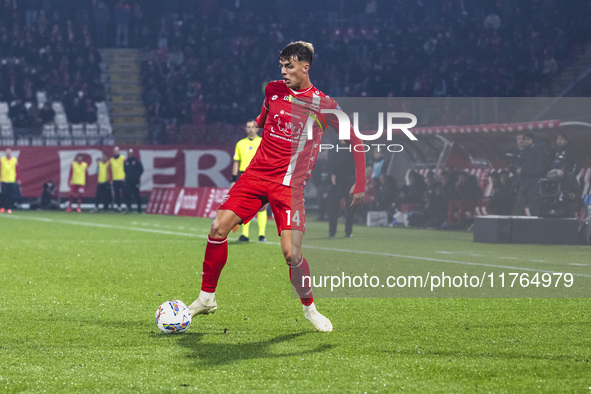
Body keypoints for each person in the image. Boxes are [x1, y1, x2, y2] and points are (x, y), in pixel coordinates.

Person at [187, 41, 366, 332]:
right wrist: (260, 122)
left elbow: (355, 141)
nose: (283, 72)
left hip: (289, 186)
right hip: (256, 175)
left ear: (305, 68)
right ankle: (207, 298)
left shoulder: (325, 105)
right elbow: (264, 117)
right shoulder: (273, 89)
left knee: (292, 255)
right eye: (282, 65)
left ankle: (310, 309)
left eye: (290, 66)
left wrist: (361, 184)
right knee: (218, 228)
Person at [232, 120, 268, 242]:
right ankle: (245, 235)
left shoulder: (263, 142)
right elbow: (236, 162)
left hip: (260, 176)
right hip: (245, 176)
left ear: (257, 129)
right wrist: (233, 179)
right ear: (245, 129)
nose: (251, 129)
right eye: (248, 127)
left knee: (262, 206)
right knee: (245, 205)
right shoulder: (240, 144)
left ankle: (261, 235)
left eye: (253, 127)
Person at [328, 141, 356, 238]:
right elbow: (330, 162)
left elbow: (358, 162)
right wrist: (332, 174)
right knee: (334, 206)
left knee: (350, 206)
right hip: (338, 179)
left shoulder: (354, 145)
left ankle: (348, 232)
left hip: (350, 178)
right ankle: (332, 232)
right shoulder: (334, 146)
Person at [513, 133, 545, 216]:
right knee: (518, 206)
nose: (526, 141)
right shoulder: (525, 151)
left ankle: (536, 226)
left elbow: (539, 169)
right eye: (525, 139)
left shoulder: (538, 151)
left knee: (534, 207)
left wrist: (523, 171)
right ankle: (516, 225)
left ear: (532, 140)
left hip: (533, 184)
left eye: (528, 139)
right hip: (524, 182)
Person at [0, 148, 20, 214]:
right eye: (6, 152)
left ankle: (9, 208)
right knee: (3, 194)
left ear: (11, 153)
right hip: (3, 180)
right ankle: (2, 207)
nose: (8, 153)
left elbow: (17, 170)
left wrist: (18, 178)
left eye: (9, 152)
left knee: (10, 195)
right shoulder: (2, 160)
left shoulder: (14, 160)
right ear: (5, 153)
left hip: (11, 180)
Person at [124, 148, 143, 213]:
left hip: (135, 181)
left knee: (137, 194)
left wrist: (136, 176)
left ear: (133, 154)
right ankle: (129, 208)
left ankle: (139, 208)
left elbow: (141, 170)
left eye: (130, 153)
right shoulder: (126, 162)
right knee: (128, 195)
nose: (129, 154)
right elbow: (125, 170)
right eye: (128, 153)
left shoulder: (136, 161)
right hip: (128, 181)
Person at [110, 146, 126, 211]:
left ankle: (127, 205)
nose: (116, 152)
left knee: (125, 193)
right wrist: (111, 179)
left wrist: (125, 177)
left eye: (117, 151)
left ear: (119, 151)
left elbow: (126, 168)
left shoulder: (123, 158)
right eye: (115, 151)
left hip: (122, 179)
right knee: (117, 194)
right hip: (115, 179)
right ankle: (118, 206)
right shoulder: (111, 160)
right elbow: (110, 170)